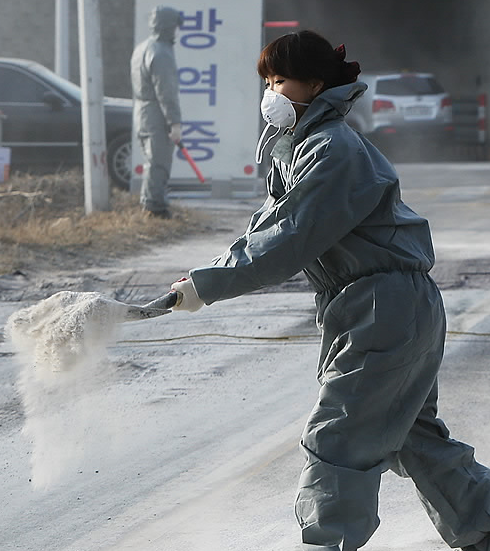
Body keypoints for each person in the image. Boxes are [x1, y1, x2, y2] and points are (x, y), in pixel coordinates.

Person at [167, 30, 490, 551]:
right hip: (380, 306)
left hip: (383, 305)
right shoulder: (298, 148)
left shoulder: (333, 149)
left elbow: (289, 238)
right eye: (266, 82)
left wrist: (209, 285)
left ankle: (329, 542)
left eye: (280, 81)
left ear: (315, 85)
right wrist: (201, 277)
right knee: (413, 434)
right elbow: (266, 228)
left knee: (337, 436)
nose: (270, 92)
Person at [130, 6, 183, 218]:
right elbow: (166, 91)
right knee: (158, 163)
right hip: (156, 114)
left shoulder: (141, 48)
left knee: (151, 162)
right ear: (169, 26)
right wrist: (174, 123)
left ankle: (149, 203)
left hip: (141, 113)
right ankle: (155, 208)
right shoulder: (161, 52)